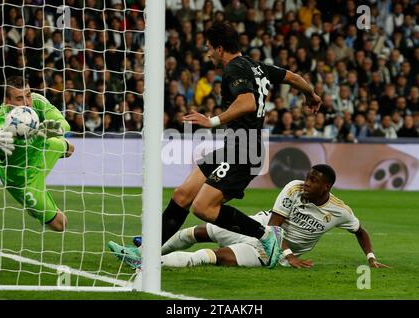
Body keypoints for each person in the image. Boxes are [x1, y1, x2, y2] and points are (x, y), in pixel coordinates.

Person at [108, 21, 321, 268]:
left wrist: (212, 121)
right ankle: (144, 253)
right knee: (182, 194)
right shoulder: (255, 66)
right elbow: (293, 77)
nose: (207, 53)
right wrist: (311, 94)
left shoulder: (234, 69)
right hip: (233, 147)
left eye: (209, 48)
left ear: (220, 48)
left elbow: (248, 102)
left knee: (204, 208)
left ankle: (266, 235)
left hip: (245, 150)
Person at [124, 164, 389, 269]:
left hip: (268, 252)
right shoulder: (294, 188)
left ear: (326, 187)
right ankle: (145, 252)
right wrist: (290, 256)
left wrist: (370, 257)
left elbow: (359, 230)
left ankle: (149, 265)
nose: (306, 182)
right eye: (308, 177)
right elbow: (273, 227)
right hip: (260, 229)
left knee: (207, 257)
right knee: (196, 232)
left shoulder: (339, 211)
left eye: (313, 180)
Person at [0, 76, 74, 231]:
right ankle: (33, 205)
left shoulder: (37, 101)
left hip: (39, 149)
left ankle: (36, 203)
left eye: (28, 95)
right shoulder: (7, 116)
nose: (27, 102)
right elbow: (0, 135)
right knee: (60, 224)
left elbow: (65, 124)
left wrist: (53, 129)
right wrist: (0, 144)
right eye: (19, 98)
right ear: (7, 101)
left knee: (70, 148)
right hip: (20, 176)